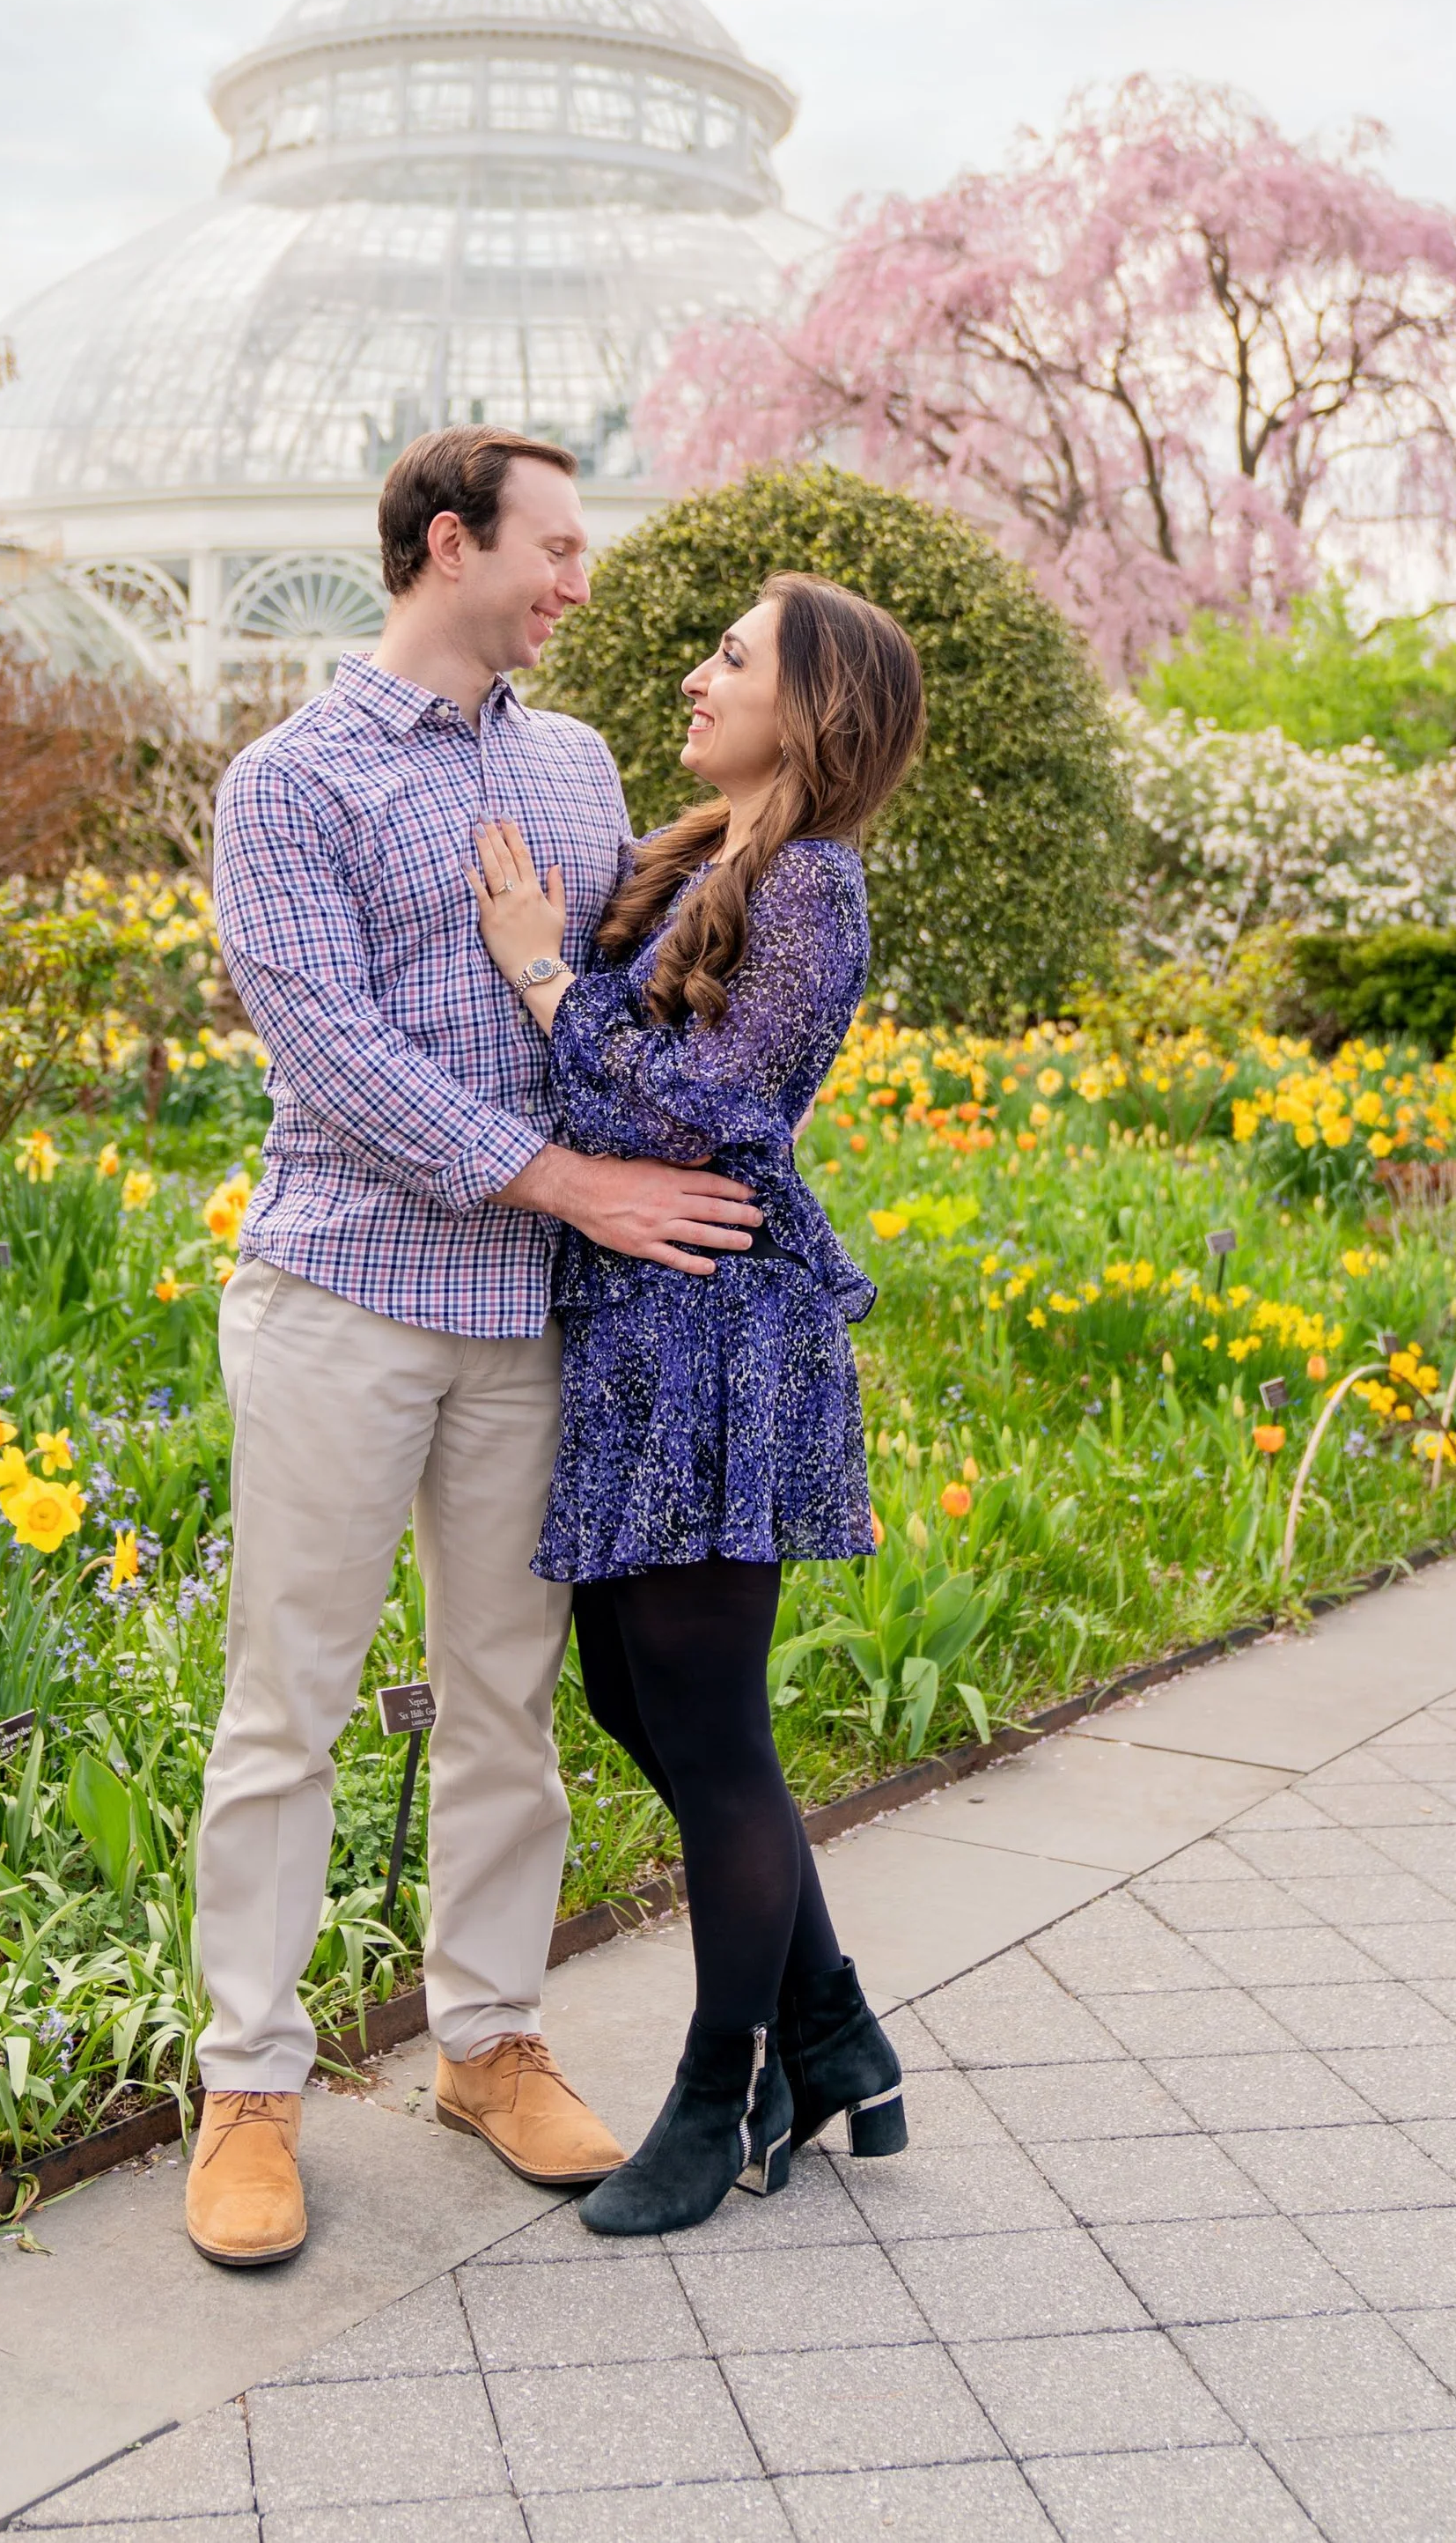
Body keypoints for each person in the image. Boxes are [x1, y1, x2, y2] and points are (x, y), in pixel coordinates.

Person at [185, 425, 762, 2271]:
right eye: (559, 549)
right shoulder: (289, 781)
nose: (581, 585)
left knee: (504, 1701)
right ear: (452, 545)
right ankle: (249, 2085)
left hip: (528, 1328)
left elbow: (600, 999)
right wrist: (569, 1183)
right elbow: (332, 1056)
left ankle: (488, 2044)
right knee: (289, 1707)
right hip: (346, 1296)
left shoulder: (580, 765)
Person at [465, 570, 926, 2234]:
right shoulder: (701, 860)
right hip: (641, 1330)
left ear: (809, 708)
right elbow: (632, 1089)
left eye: (732, 657)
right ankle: (833, 2027)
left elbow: (692, 1106)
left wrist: (541, 978)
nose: (696, 670)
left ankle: (723, 2089)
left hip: (725, 1337)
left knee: (713, 1730)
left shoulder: (814, 884)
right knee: (631, 1697)